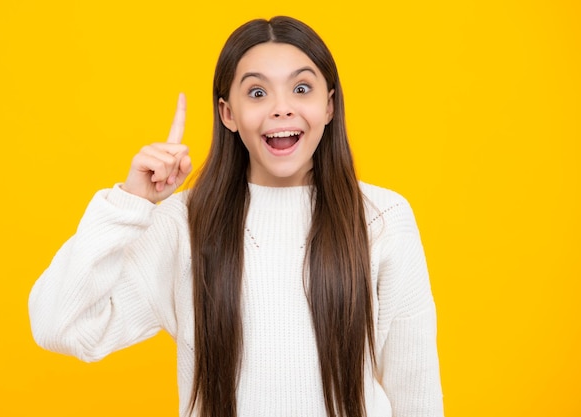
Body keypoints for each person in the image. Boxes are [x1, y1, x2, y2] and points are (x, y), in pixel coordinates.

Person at [28, 16, 444, 417]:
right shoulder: (184, 224)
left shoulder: (382, 219)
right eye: (258, 93)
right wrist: (130, 202)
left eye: (302, 88)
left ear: (330, 106)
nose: (282, 109)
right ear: (228, 114)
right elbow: (59, 325)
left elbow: (416, 390)